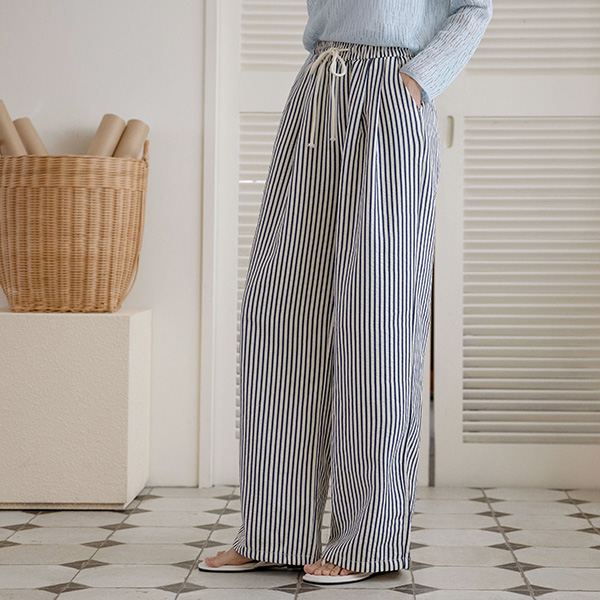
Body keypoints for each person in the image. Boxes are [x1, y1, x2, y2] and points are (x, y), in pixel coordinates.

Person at [200, 0, 493, 586]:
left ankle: (368, 538)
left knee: (377, 319)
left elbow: (473, 8)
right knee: (278, 313)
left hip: (392, 94)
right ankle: (273, 530)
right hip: (317, 92)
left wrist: (416, 81)